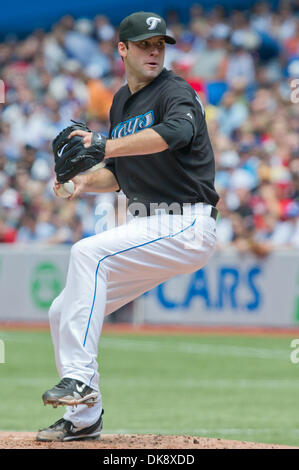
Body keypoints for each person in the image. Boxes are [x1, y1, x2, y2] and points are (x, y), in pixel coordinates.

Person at [37, 11, 219, 442]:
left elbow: (172, 134)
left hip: (188, 220)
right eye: (144, 44)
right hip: (153, 224)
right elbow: (118, 174)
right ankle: (85, 418)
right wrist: (79, 182)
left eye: (160, 44)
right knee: (62, 312)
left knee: (87, 252)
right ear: (123, 49)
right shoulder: (121, 102)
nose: (154, 51)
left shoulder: (177, 93)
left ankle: (79, 379)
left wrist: (103, 143)